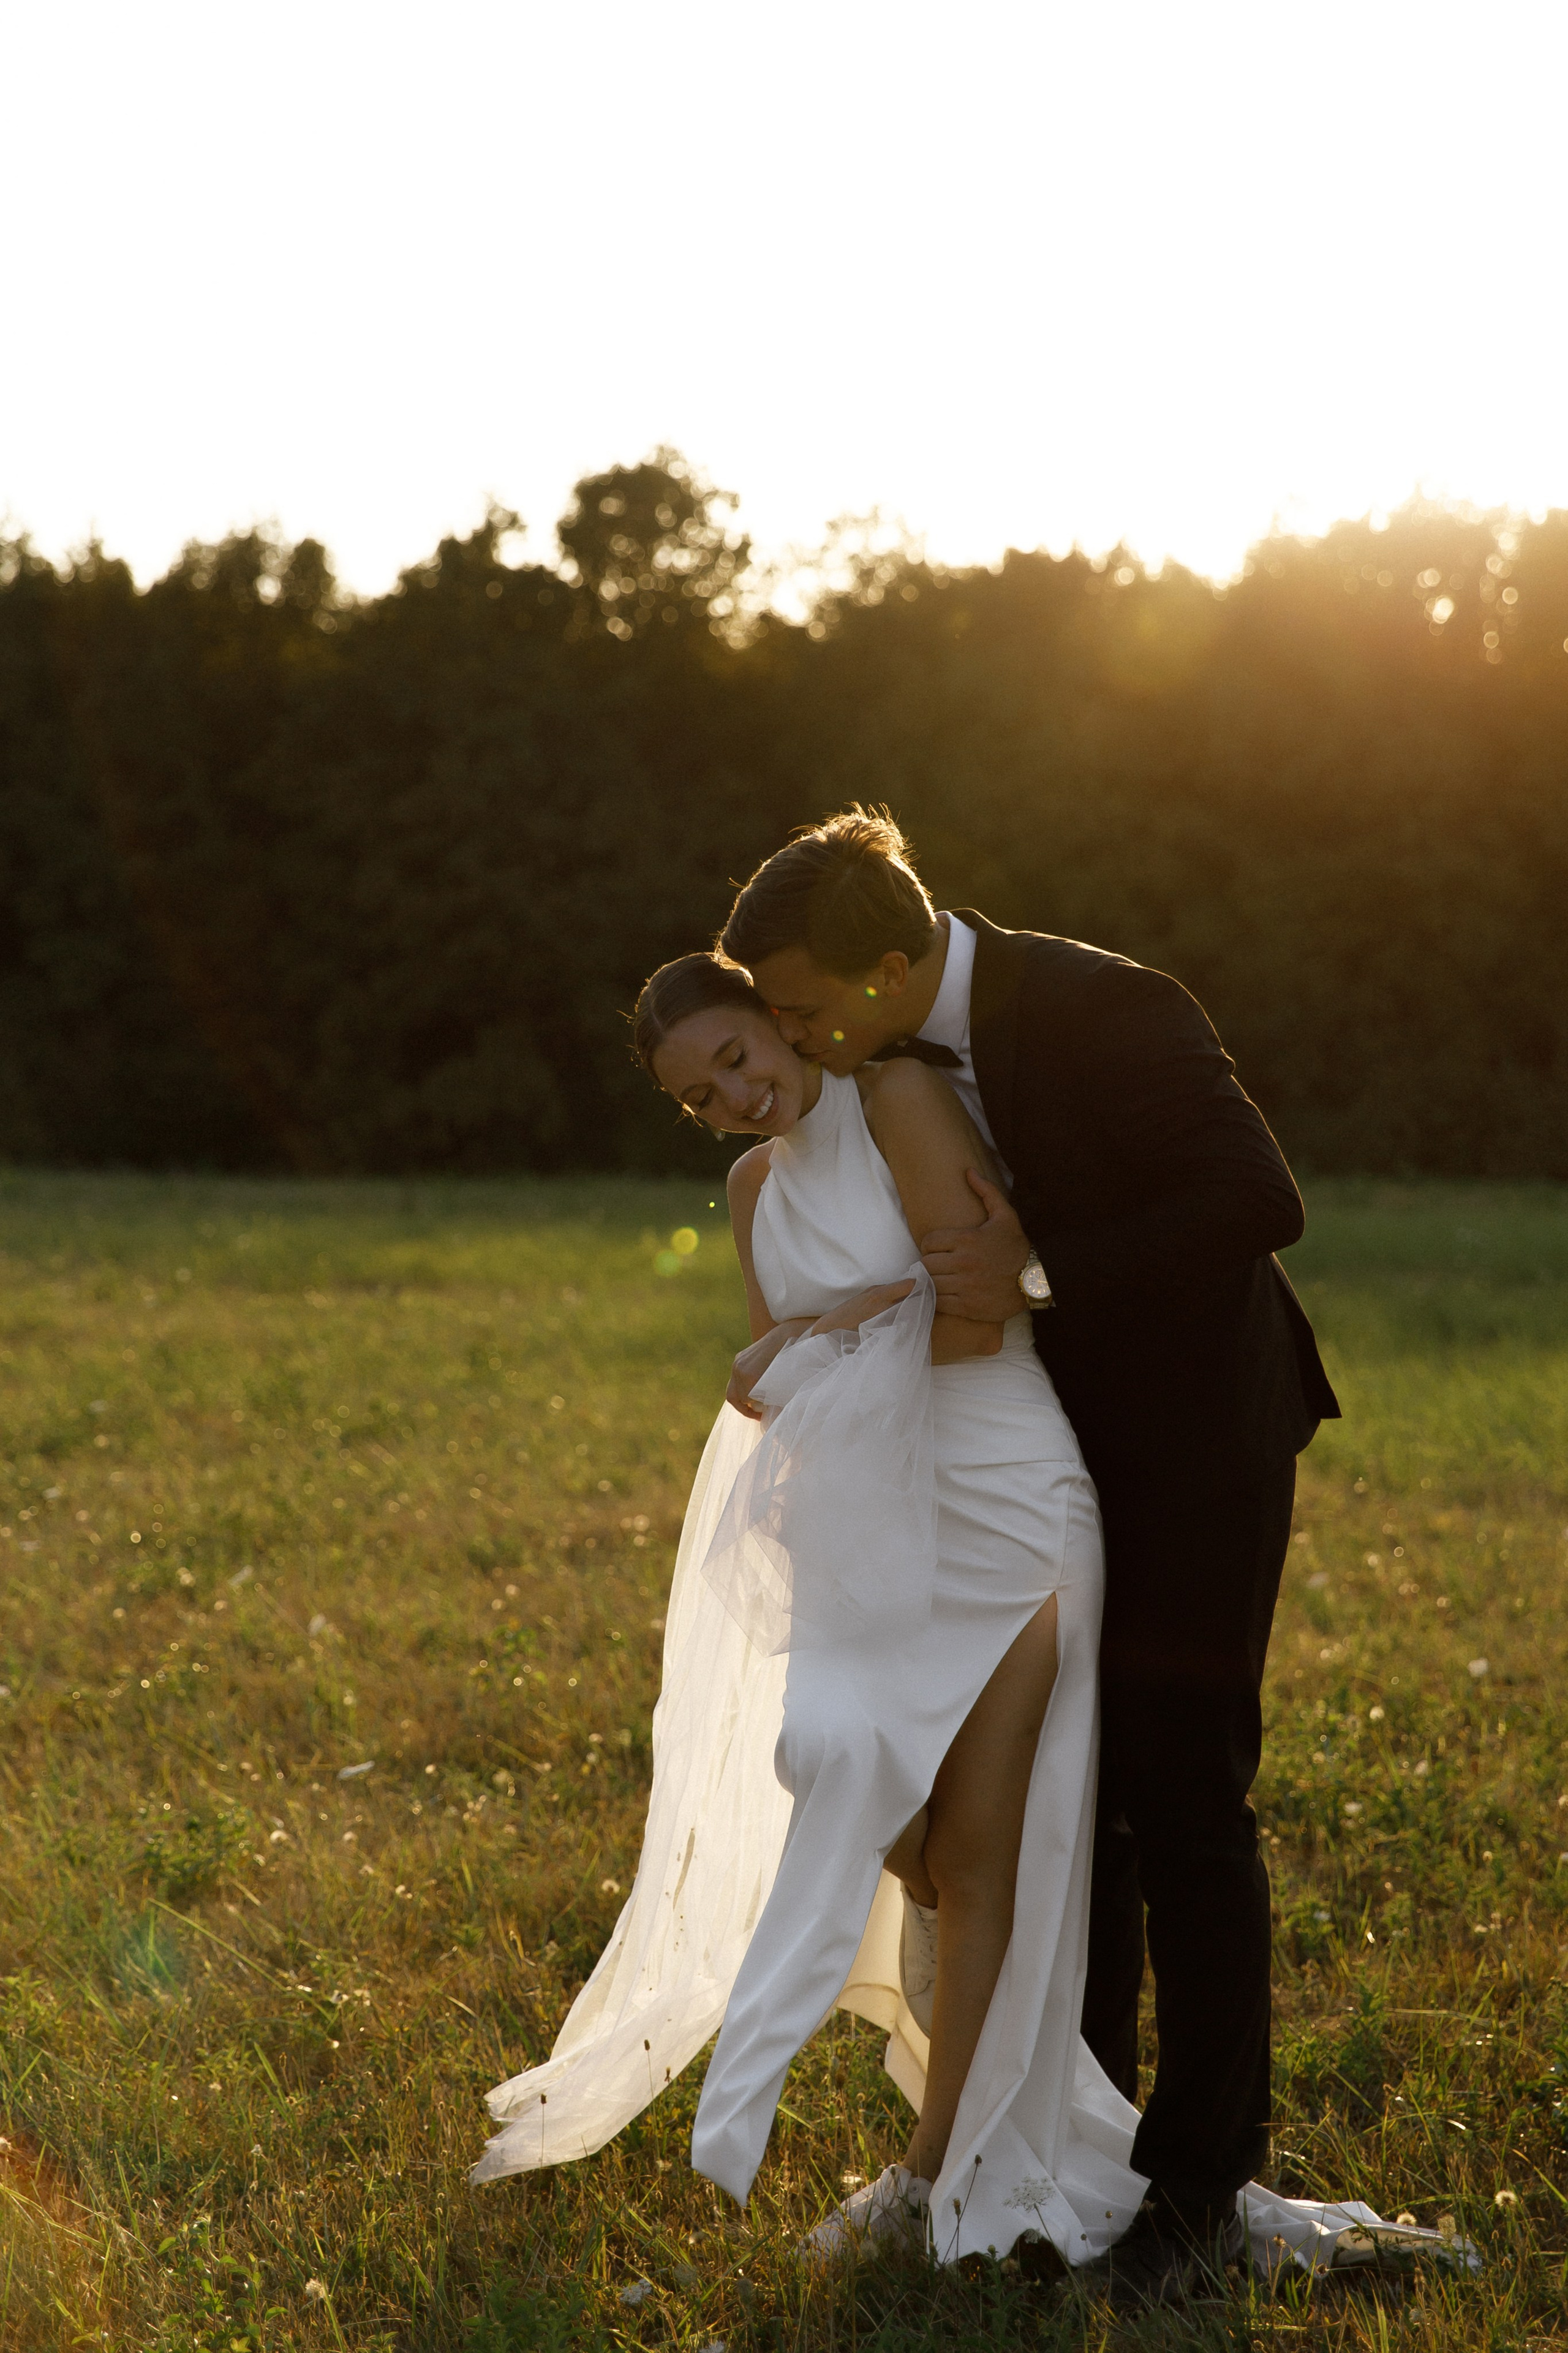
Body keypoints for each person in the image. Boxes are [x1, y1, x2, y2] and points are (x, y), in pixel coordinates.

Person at [471, 921, 1435, 2301]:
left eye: (742, 1054)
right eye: (698, 1093)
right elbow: (760, 1375)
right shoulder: (754, 1186)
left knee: (995, 1842)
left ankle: (948, 2163)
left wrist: (827, 1333)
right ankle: (993, 2114)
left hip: (998, 1502)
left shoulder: (899, 1098)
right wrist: (839, 1333)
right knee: (865, 1794)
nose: (736, 1096)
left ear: (783, 1020)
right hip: (867, 1525)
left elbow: (967, 1320)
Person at [715, 806, 1342, 2298]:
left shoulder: (1101, 1004)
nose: (786, 1033)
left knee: (1184, 1802)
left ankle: (1195, 2193)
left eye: (801, 1007)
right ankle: (1067, 2145)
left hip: (1193, 1449)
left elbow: (1262, 1200)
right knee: (1077, 1808)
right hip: (1029, 1460)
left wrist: (1036, 1267)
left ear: (887, 964)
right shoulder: (866, 1071)